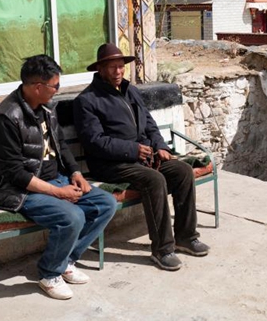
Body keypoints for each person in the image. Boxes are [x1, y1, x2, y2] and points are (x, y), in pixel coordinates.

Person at [0, 54, 117, 300]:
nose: (58, 90)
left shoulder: (46, 109)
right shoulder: (7, 118)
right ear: (37, 87)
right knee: (73, 216)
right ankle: (49, 274)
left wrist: (76, 174)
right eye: (55, 85)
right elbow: (15, 174)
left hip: (55, 179)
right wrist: (58, 193)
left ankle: (65, 260)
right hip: (17, 190)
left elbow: (61, 145)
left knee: (105, 203)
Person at [73, 43, 210, 271]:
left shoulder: (131, 91)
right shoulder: (87, 100)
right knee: (154, 180)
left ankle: (186, 237)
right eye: (112, 68)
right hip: (110, 165)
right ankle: (163, 249)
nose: (118, 72)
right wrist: (133, 149)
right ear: (100, 69)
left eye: (121, 67)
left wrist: (160, 146)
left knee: (182, 171)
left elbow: (149, 124)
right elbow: (94, 142)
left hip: (142, 159)